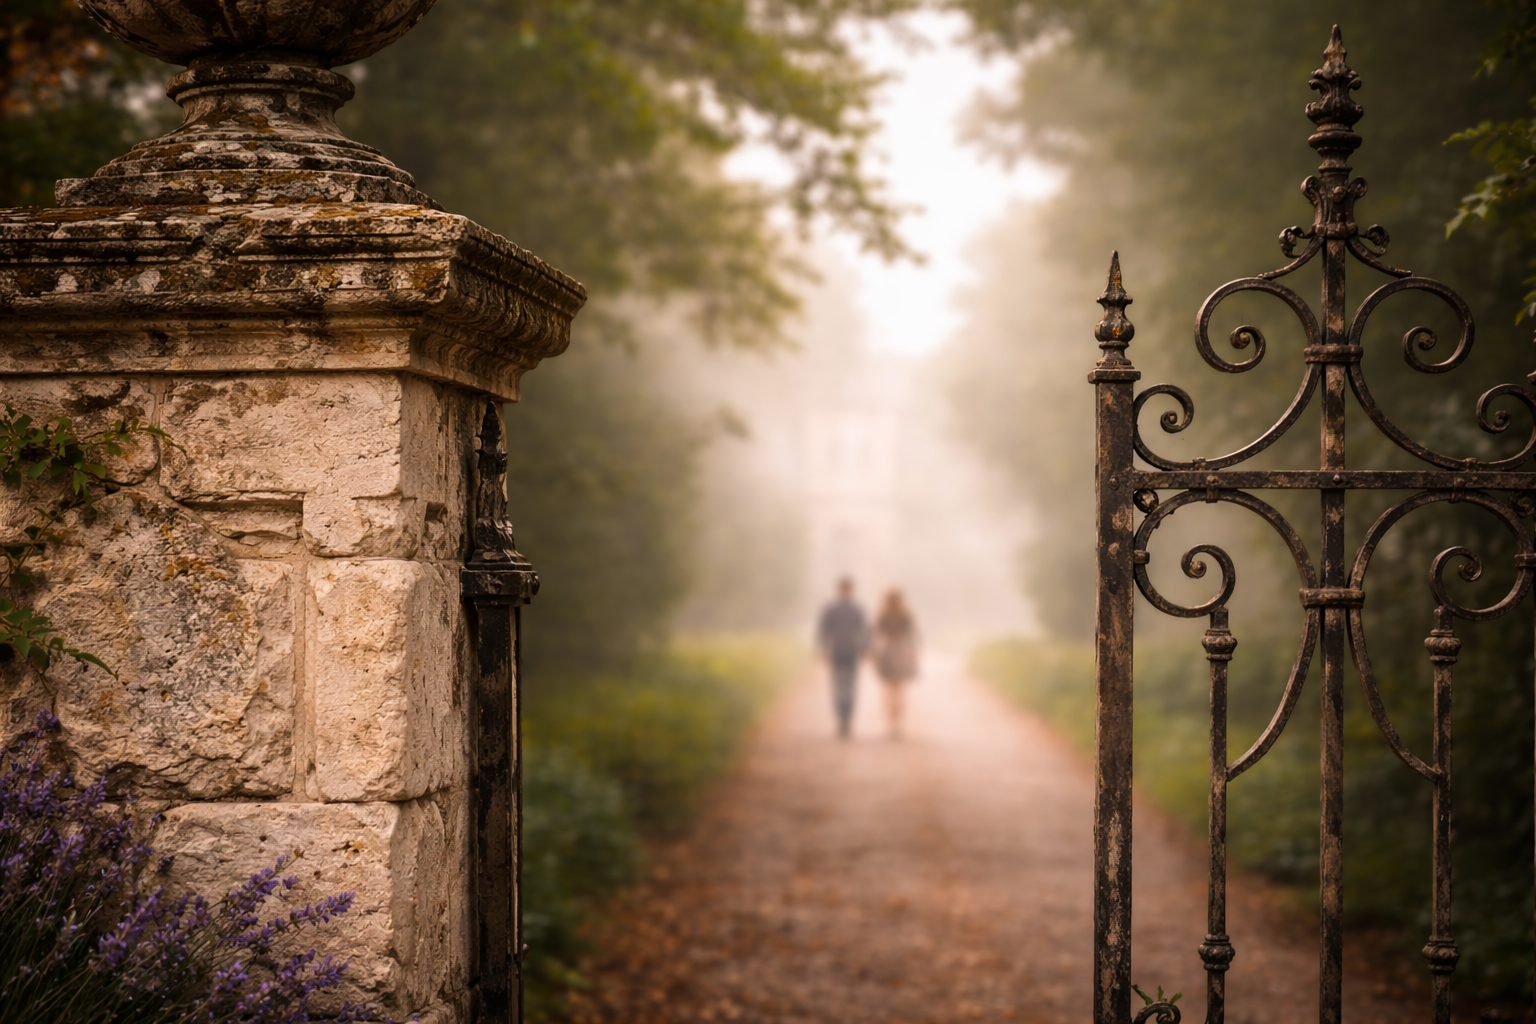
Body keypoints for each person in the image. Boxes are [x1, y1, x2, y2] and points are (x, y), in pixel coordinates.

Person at [816, 576, 868, 738]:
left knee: (847, 687)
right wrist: (823, 649)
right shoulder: (835, 609)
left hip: (849, 652)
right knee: (842, 687)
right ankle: (842, 720)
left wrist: (865, 649)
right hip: (839, 652)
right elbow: (824, 631)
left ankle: (845, 720)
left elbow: (864, 632)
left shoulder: (852, 609)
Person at [871, 589, 920, 738]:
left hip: (887, 651)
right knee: (900, 691)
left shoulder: (882, 614)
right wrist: (913, 652)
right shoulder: (906, 614)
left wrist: (875, 654)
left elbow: (876, 635)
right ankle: (898, 724)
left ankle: (890, 724)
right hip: (901, 651)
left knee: (888, 691)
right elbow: (912, 635)